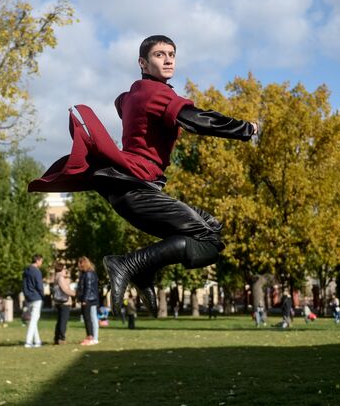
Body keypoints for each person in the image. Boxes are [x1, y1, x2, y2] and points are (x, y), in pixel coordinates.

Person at [28, 35, 257, 317]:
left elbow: (122, 103)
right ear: (143, 63)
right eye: (160, 54)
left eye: (172, 54)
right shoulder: (156, 94)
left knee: (212, 225)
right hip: (135, 187)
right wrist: (246, 128)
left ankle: (144, 272)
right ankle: (129, 264)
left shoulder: (133, 95)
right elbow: (197, 120)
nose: (169, 59)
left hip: (130, 189)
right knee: (209, 242)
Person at [22, 254, 44, 348]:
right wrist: (42, 295)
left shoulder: (26, 271)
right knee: (34, 320)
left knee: (33, 320)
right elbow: (39, 286)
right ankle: (28, 341)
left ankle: (37, 341)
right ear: (38, 261)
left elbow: (23, 285)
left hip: (28, 297)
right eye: (41, 261)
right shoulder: (37, 272)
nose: (41, 263)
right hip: (36, 297)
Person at [77, 256, 99, 346]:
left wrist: (84, 299)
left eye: (80, 263)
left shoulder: (88, 274)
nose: (78, 265)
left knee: (89, 319)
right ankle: (94, 337)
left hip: (89, 299)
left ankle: (91, 337)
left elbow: (88, 288)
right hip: (91, 298)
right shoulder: (87, 273)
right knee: (92, 318)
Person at [52, 262, 76, 345]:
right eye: (65, 268)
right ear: (61, 269)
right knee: (63, 321)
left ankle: (57, 337)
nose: (65, 270)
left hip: (58, 302)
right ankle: (61, 338)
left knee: (59, 321)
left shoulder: (56, 276)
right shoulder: (60, 277)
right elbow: (65, 289)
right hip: (64, 302)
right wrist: (76, 294)